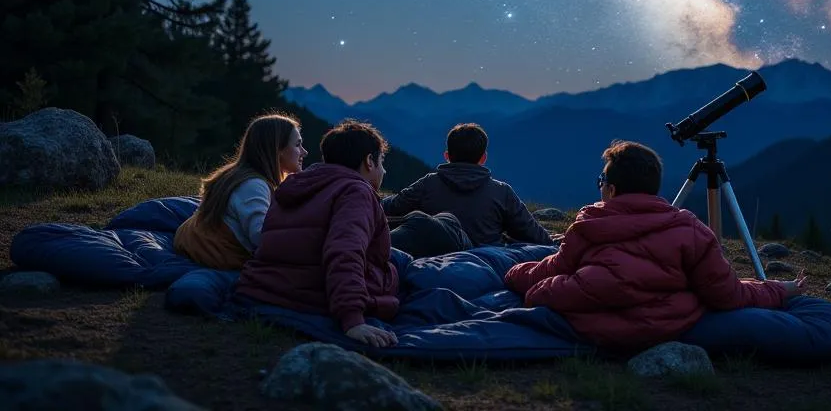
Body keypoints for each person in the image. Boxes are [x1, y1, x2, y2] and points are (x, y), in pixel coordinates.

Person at [504, 140, 806, 350]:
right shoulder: (691, 230)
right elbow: (727, 294)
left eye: (601, 183)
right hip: (671, 325)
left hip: (593, 327)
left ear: (610, 190)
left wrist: (512, 272)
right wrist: (780, 289)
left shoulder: (587, 226)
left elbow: (554, 269)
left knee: (545, 291)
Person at [236, 119, 400, 348]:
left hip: (265, 289)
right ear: (369, 161)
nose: (384, 170)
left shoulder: (293, 185)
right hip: (312, 297)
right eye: (381, 162)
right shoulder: (357, 191)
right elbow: (345, 251)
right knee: (406, 269)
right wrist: (352, 319)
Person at [381, 122, 553, 249]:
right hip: (487, 270)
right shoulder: (502, 192)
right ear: (483, 158)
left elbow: (389, 206)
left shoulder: (428, 184)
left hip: (436, 266)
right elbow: (537, 238)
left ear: (447, 156)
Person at [174, 113, 306, 271]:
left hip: (192, 243)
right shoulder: (254, 185)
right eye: (298, 145)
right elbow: (261, 237)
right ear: (277, 150)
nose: (304, 152)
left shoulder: (241, 175)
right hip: (209, 253)